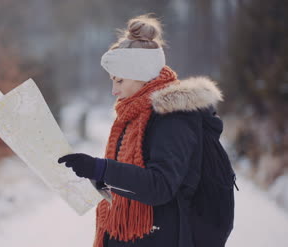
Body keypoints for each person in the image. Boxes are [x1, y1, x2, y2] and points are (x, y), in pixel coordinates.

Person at [58, 13, 226, 247]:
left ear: (141, 76)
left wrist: (101, 168)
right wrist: (98, 177)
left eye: (119, 81)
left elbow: (160, 186)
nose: (114, 91)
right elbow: (130, 177)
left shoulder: (174, 116)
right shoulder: (134, 114)